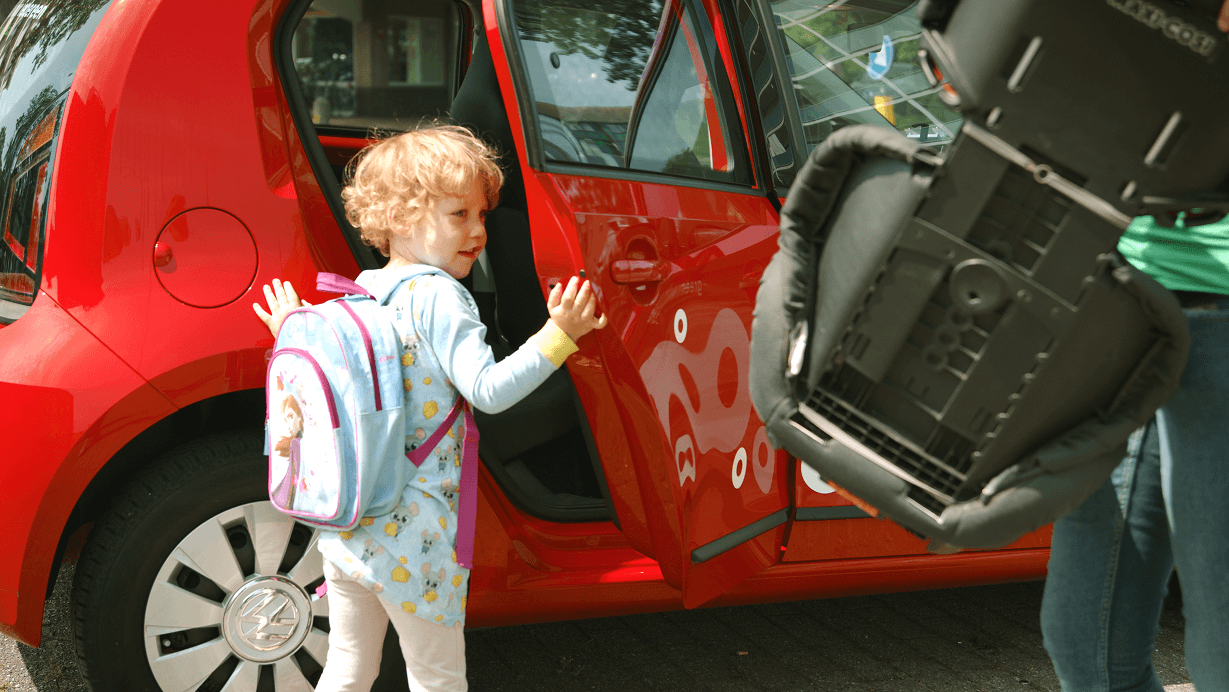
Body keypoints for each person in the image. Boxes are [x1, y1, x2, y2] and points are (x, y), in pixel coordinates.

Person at [253, 124, 607, 692]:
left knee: (347, 667)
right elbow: (488, 390)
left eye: (482, 215)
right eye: (459, 215)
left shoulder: (361, 291)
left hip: (348, 526)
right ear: (400, 218)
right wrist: (558, 336)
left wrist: (290, 330)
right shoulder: (441, 297)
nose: (479, 231)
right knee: (437, 678)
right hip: (414, 537)